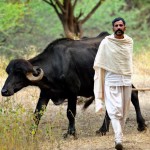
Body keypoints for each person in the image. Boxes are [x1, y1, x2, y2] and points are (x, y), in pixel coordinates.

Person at [93, 17, 133, 150]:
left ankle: (119, 135)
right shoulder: (106, 42)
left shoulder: (129, 42)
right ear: (113, 28)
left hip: (126, 80)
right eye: (116, 26)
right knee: (114, 111)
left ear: (125, 27)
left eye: (121, 25)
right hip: (111, 81)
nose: (118, 28)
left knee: (124, 111)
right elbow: (99, 62)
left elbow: (127, 62)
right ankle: (118, 139)